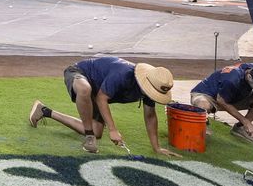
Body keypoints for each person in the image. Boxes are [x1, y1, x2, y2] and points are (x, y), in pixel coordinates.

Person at [27, 57, 178, 156]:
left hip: (97, 89)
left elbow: (150, 116)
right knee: (84, 89)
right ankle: (89, 137)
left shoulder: (148, 89)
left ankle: (44, 111)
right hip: (79, 73)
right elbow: (101, 99)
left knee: (98, 131)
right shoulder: (123, 74)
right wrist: (113, 129)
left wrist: (156, 147)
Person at [189, 62, 253, 144]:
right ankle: (201, 122)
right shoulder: (231, 79)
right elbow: (221, 101)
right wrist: (246, 121)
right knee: (203, 104)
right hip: (208, 95)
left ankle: (240, 128)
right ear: (250, 78)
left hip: (234, 96)